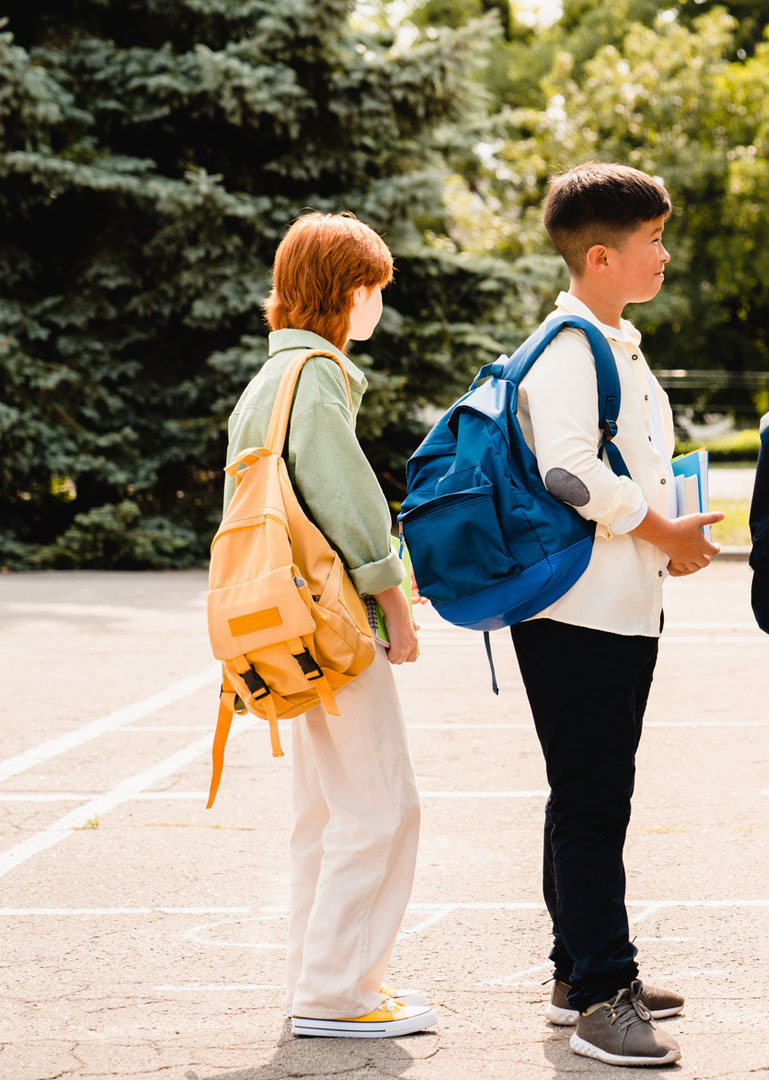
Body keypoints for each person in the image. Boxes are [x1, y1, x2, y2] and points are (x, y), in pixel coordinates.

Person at [512, 162, 723, 1068]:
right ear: (600, 256)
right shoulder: (569, 351)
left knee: (586, 795)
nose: (665, 255)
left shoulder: (612, 341)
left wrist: (667, 532)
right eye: (653, 242)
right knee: (596, 800)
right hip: (579, 613)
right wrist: (663, 527)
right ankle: (603, 993)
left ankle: (579, 972)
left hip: (611, 608)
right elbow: (567, 471)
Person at [224, 212, 435, 1038]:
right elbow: (351, 507)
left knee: (324, 810)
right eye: (376, 288)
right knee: (383, 803)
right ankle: (339, 994)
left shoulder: (266, 381)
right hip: (331, 623)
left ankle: (317, 982)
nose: (381, 302)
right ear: (349, 292)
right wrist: (393, 606)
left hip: (278, 623)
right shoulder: (318, 375)